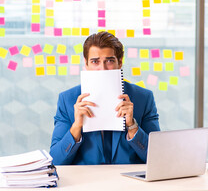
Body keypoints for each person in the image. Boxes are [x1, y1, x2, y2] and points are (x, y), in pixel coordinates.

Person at [50, 31, 160, 165]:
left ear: (119, 63)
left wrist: (132, 126)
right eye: (95, 61)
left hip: (128, 183)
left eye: (109, 61)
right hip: (87, 183)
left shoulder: (143, 98)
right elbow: (56, 161)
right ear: (86, 64)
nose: (102, 69)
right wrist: (76, 126)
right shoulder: (67, 99)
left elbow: (157, 159)